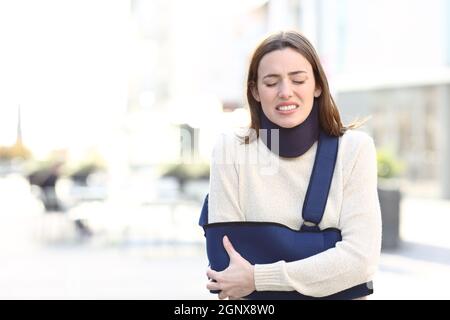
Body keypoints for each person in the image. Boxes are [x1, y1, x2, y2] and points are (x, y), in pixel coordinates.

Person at [204, 30, 382, 300]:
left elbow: (360, 261)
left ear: (318, 85)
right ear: (255, 90)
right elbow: (224, 265)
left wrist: (256, 277)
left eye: (298, 79)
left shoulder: (354, 150)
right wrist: (325, 259)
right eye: (271, 82)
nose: (285, 92)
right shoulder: (231, 150)